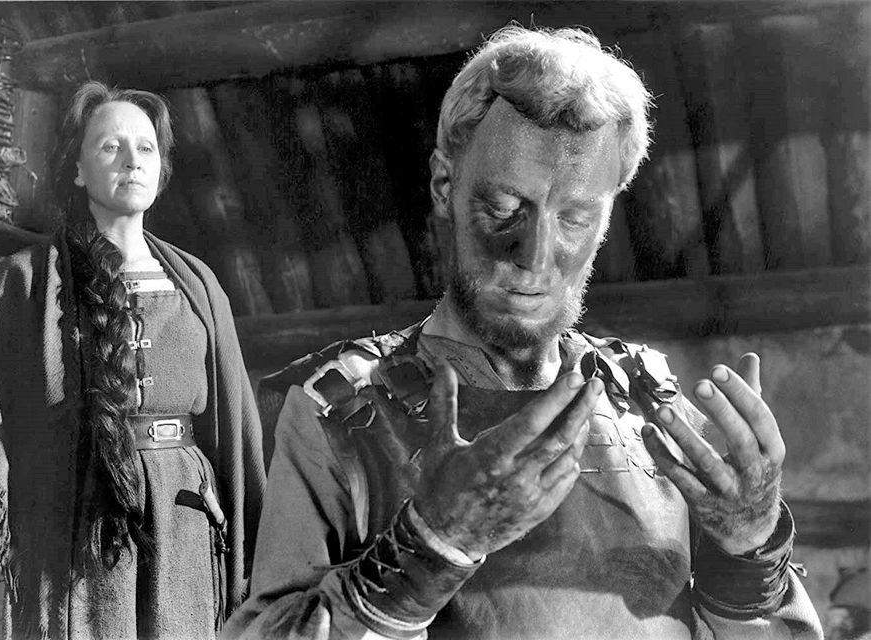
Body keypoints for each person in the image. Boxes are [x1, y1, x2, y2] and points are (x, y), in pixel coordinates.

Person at [222, 25, 822, 640]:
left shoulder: (650, 407)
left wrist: (748, 552)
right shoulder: (339, 416)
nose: (534, 257)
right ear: (444, 186)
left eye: (575, 217)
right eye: (505, 207)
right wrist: (430, 549)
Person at [0, 81, 265, 639]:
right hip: (73, 531)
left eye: (146, 147)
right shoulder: (22, 284)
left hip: (185, 524)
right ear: (78, 170)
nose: (133, 160)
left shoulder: (199, 286)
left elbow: (236, 432)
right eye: (111, 146)